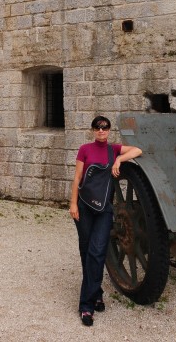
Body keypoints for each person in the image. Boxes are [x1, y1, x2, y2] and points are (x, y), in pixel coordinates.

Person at [69, 115, 143, 326]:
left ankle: (86, 306)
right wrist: (73, 204)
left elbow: (138, 150)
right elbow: (77, 178)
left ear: (109, 130)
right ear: (93, 130)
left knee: (98, 251)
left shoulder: (113, 150)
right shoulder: (85, 149)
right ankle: (97, 292)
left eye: (105, 128)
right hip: (84, 206)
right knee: (86, 252)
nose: (101, 131)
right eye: (98, 128)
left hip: (103, 210)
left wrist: (119, 160)